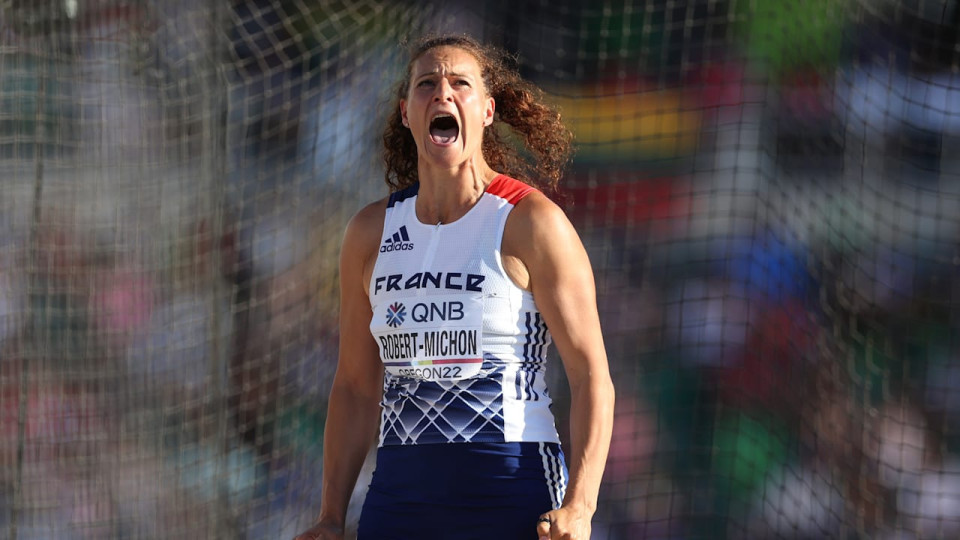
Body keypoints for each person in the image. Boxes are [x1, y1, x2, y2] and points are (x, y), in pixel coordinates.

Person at [295, 33, 614, 540]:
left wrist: (580, 506)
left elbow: (591, 375)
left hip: (511, 485)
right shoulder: (369, 233)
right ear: (406, 112)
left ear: (487, 110)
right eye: (427, 84)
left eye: (459, 83)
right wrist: (331, 515)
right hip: (400, 497)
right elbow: (355, 386)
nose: (442, 94)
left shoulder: (531, 222)